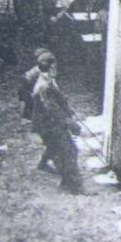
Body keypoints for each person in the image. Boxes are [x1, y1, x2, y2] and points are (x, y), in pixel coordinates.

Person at [30, 50, 82, 193]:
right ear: (52, 67)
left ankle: (66, 183)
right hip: (49, 126)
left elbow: (58, 103)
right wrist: (70, 123)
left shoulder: (48, 81)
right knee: (69, 152)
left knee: (61, 150)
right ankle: (73, 187)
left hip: (50, 124)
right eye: (55, 66)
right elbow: (52, 110)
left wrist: (69, 112)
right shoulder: (44, 86)